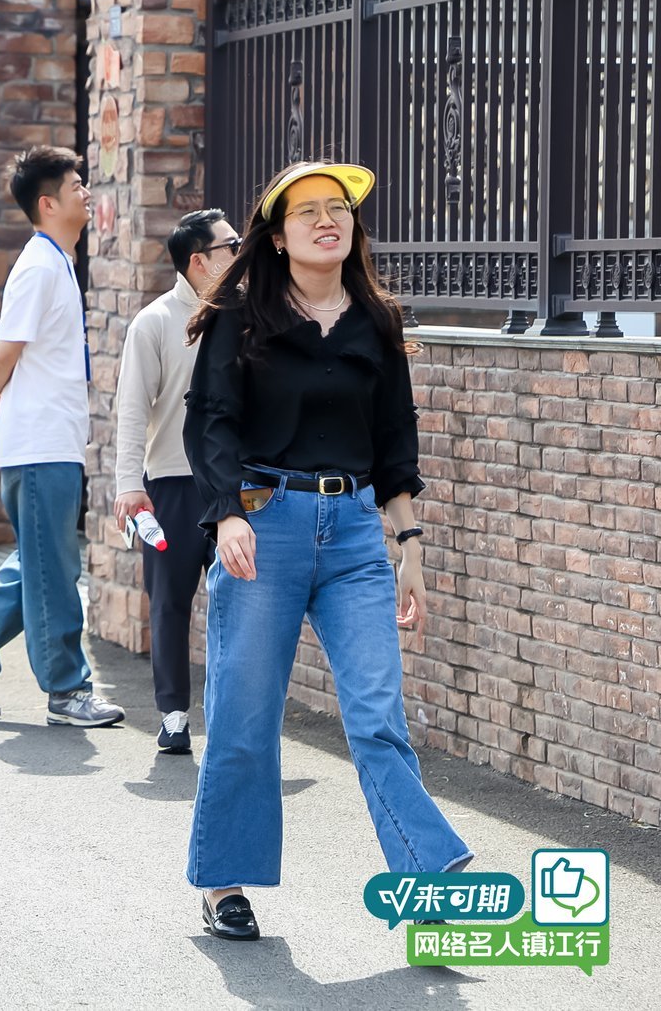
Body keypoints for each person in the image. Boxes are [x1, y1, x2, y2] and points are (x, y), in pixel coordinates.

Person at [182, 161, 471, 941]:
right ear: (278, 236)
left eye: (337, 207)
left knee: (378, 715)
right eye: (307, 210)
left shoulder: (377, 320)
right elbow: (210, 423)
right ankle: (224, 882)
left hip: (352, 535)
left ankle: (427, 881)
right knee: (245, 715)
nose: (326, 219)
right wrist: (227, 514)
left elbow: (395, 444)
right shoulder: (241, 316)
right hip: (263, 525)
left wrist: (410, 545)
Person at [0, 146, 126, 729]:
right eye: (76, 185)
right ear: (48, 203)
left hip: (51, 441)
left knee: (39, 564)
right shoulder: (39, 266)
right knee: (53, 571)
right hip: (39, 445)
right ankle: (66, 689)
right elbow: (7, 347)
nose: (86, 192)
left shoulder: (55, 261)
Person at [111, 208, 239, 754]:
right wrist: (128, 484)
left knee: (243, 601)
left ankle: (235, 714)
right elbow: (131, 409)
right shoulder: (155, 322)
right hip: (171, 484)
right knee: (169, 601)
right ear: (199, 261)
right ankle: (173, 715)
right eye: (231, 245)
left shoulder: (247, 316)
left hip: (236, 486)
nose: (241, 252)